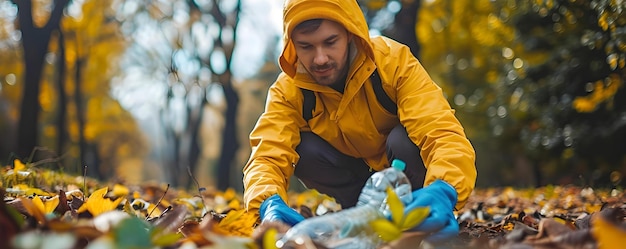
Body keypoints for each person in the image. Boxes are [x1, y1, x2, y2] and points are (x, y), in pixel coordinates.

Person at [242, 0, 477, 243]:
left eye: (330, 42)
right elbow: (267, 155)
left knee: (403, 138)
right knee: (303, 148)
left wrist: (444, 190)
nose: (320, 59)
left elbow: (441, 133)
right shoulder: (288, 91)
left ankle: (420, 209)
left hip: (405, 177)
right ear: (292, 46)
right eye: (306, 46)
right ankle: (357, 211)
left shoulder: (393, 62)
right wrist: (267, 202)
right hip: (355, 183)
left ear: (349, 33)